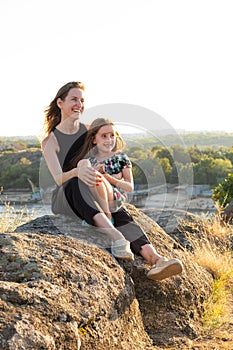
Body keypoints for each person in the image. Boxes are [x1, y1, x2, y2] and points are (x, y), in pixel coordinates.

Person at [41, 81, 183, 280]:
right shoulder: (50, 142)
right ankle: (116, 238)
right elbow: (58, 179)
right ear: (60, 103)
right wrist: (78, 171)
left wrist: (110, 176)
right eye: (73, 99)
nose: (79, 104)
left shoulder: (90, 130)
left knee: (121, 211)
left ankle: (156, 259)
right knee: (78, 177)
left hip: (96, 188)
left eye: (82, 100)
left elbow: (109, 152)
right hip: (67, 196)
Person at [76, 117, 133, 225]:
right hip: (93, 197)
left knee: (96, 176)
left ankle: (107, 216)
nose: (109, 140)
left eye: (112, 135)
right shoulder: (90, 160)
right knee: (82, 163)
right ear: (94, 140)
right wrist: (92, 170)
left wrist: (108, 178)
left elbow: (130, 187)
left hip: (114, 198)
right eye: (104, 136)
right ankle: (93, 213)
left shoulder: (121, 158)